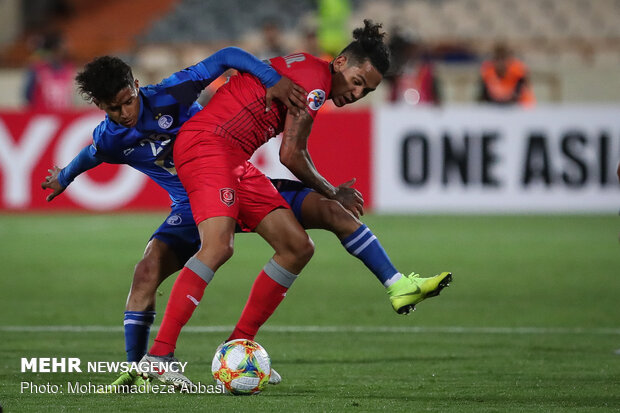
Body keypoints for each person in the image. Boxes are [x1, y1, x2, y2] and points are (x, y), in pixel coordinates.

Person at [140, 20, 452, 387]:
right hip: (207, 146)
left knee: (297, 246)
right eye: (357, 81)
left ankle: (242, 345)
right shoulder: (316, 83)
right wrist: (332, 189)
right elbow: (291, 153)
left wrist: (331, 195)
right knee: (218, 246)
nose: (356, 93)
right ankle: (158, 357)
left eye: (365, 91)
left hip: (233, 159)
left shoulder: (308, 69)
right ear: (340, 63)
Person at [41, 46, 306, 389]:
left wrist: (273, 79)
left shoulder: (172, 92)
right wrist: (65, 177)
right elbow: (91, 154)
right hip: (189, 207)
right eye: (112, 108)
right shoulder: (111, 137)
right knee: (146, 271)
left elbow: (227, 56)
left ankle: (389, 279)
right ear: (99, 107)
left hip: (232, 182)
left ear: (136, 85)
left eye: (127, 101)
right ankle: (142, 371)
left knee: (322, 221)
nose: (124, 113)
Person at [24, 31, 75, 110]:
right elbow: (27, 94)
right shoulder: (37, 69)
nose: (67, 47)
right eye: (64, 45)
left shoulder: (68, 69)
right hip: (42, 116)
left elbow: (69, 96)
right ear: (55, 48)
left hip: (63, 116)